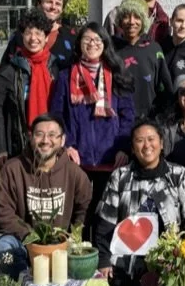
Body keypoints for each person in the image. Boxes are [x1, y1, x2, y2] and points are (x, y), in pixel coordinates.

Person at [93, 119, 185, 286]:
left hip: (168, 261)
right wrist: (104, 260)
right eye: (140, 140)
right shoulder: (120, 176)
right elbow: (105, 222)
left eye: (151, 139)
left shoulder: (178, 174)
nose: (146, 145)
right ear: (133, 148)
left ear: (161, 144)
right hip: (126, 260)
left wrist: (184, 257)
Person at [50, 23, 136, 224]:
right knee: (79, 214)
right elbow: (57, 115)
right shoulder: (65, 76)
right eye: (87, 39)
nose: (92, 44)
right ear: (79, 44)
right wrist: (68, 145)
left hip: (111, 157)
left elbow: (128, 116)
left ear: (105, 44)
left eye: (97, 39)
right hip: (78, 158)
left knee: (106, 215)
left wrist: (123, 148)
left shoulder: (117, 75)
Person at [0, 114, 92, 279]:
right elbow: (2, 213)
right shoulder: (13, 169)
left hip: (61, 245)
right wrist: (30, 237)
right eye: (39, 134)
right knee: (2, 249)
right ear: (30, 137)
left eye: (52, 135)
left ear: (62, 140)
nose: (45, 140)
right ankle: (24, 284)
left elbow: (85, 208)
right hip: (24, 242)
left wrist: (71, 238)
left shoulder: (74, 173)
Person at [0, 9, 59, 170]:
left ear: (46, 37)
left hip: (49, 145)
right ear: (22, 36)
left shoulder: (56, 69)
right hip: (17, 146)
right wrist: (0, 149)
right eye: (28, 33)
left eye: (38, 33)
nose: (33, 38)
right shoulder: (8, 71)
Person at [110, 0, 172, 118]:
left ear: (143, 20)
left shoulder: (154, 50)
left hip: (149, 120)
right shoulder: (110, 49)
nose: (132, 22)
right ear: (120, 20)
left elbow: (165, 89)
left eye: (137, 17)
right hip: (117, 120)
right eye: (126, 16)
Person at [1, 0, 76, 72]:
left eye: (58, 4)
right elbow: (4, 70)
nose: (53, 7)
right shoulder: (20, 35)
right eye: (49, 2)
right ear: (39, 4)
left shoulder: (71, 37)